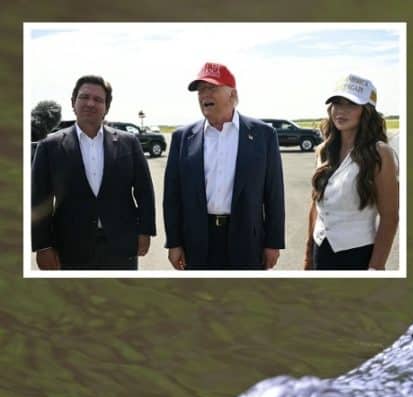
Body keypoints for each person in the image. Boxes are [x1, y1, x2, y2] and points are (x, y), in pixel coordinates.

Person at [163, 62, 284, 270]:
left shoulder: (263, 135)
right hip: (198, 240)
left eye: (212, 88)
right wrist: (174, 242)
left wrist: (273, 243)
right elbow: (172, 196)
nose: (204, 95)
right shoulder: (183, 138)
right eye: (200, 90)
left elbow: (274, 194)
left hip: (247, 240)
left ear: (232, 94)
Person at [31, 75, 155, 270]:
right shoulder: (49, 147)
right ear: (73, 102)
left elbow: (144, 191)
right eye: (84, 97)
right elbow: (39, 200)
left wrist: (145, 231)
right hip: (70, 246)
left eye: (98, 99)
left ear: (106, 107)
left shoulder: (128, 143)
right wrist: (43, 246)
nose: (90, 103)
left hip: (121, 245)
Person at [303, 74, 399, 270]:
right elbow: (316, 206)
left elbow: (390, 217)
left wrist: (375, 268)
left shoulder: (380, 153)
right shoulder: (324, 150)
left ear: (367, 111)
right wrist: (308, 255)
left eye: (351, 105)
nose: (341, 111)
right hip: (320, 252)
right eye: (337, 103)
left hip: (358, 256)